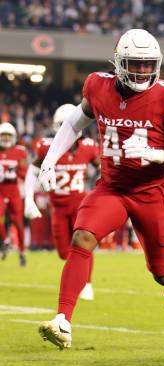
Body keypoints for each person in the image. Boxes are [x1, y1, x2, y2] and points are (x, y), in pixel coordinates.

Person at [38, 29, 164, 350]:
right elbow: (73, 123)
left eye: (147, 64)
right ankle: (63, 320)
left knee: (161, 271)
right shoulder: (98, 86)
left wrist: (157, 153)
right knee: (81, 237)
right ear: (119, 63)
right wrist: (51, 159)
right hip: (111, 188)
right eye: (135, 64)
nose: (142, 71)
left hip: (149, 192)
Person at [24, 104, 100, 300]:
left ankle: (87, 283)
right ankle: (79, 278)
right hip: (57, 207)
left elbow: (103, 169)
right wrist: (29, 200)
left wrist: (99, 191)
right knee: (63, 252)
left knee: (84, 243)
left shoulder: (89, 147)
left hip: (80, 204)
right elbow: (32, 172)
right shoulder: (46, 147)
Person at [0, 122, 27, 266]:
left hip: (14, 191)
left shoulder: (19, 152)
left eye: (7, 135)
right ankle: (5, 241)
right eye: (2, 135)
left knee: (18, 222)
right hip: (0, 190)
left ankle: (22, 252)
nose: (5, 138)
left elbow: (24, 173)